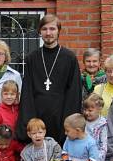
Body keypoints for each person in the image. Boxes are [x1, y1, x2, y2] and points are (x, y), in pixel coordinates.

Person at [17, 14, 82, 145]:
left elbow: (74, 93)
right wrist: (29, 122)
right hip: (37, 118)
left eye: (52, 29)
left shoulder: (69, 58)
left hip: (61, 118)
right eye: (44, 29)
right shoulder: (32, 58)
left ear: (58, 31)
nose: (48, 33)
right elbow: (27, 92)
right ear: (40, 31)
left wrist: (69, 123)